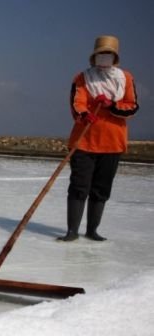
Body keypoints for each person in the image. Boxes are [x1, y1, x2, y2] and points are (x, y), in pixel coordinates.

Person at [58, 35, 139, 242]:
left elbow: (132, 107)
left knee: (101, 188)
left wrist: (113, 106)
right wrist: (85, 114)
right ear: (94, 57)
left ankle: (92, 230)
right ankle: (72, 231)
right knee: (79, 186)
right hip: (84, 142)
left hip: (113, 143)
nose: (104, 58)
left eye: (108, 55)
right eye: (101, 54)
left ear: (114, 57)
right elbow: (77, 103)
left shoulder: (126, 79)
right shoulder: (82, 78)